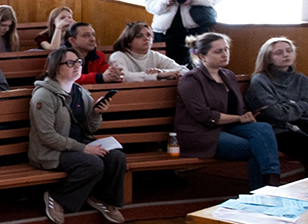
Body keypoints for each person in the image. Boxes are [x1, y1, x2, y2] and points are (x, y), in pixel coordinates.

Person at [29, 48, 127, 224]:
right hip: (49, 151)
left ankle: (102, 199)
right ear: (55, 68)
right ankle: (56, 197)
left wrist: (96, 113)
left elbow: (89, 128)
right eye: (70, 63)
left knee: (116, 157)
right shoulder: (43, 95)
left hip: (77, 145)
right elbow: (47, 136)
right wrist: (84, 148)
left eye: (78, 62)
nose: (76, 66)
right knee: (92, 163)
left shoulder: (80, 92)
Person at [175, 33, 280, 191]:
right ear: (202, 56)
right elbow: (204, 116)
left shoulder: (228, 75)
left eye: (226, 49)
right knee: (256, 147)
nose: (225, 54)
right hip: (202, 134)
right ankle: (266, 188)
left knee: (263, 128)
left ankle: (270, 181)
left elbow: (239, 107)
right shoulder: (191, 80)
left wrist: (246, 115)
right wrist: (239, 117)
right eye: (218, 51)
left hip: (230, 127)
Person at [247, 37, 308, 170]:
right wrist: (300, 105)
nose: (285, 55)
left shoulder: (301, 79)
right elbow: (274, 113)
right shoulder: (260, 80)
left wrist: (286, 105)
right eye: (278, 52)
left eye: (288, 51)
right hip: (276, 130)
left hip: (301, 123)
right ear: (268, 58)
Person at [108, 22, 186, 81]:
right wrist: (157, 75)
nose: (146, 38)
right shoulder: (118, 56)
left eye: (149, 35)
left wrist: (163, 71)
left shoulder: (155, 56)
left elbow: (184, 71)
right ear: (128, 41)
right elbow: (123, 76)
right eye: (139, 36)